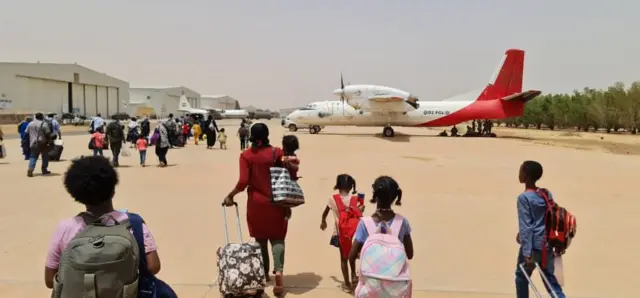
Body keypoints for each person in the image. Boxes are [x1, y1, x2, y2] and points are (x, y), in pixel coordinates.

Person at [44, 156, 161, 290]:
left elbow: (49, 279)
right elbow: (153, 266)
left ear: (76, 195)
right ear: (113, 190)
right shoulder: (133, 223)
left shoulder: (66, 228)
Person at [222, 123, 297, 296]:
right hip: (277, 202)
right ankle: (278, 272)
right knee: (278, 238)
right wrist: (287, 205)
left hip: (256, 204)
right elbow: (288, 175)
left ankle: (263, 274)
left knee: (260, 240)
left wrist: (230, 195)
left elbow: (243, 182)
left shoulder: (246, 155)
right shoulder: (276, 153)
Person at [515, 161, 566, 298]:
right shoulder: (545, 194)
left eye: (521, 170)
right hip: (547, 244)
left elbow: (527, 226)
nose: (519, 173)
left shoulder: (523, 198)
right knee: (550, 280)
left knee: (521, 277)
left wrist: (527, 252)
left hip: (533, 246)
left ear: (526, 175)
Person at [349, 176, 414, 262]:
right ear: (395, 197)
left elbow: (352, 256)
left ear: (375, 195)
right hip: (395, 274)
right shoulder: (402, 222)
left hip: (370, 274)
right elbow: (410, 254)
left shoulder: (364, 223)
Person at [320, 174, 363, 292]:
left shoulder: (332, 199)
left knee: (343, 258)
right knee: (352, 256)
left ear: (337, 186)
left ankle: (347, 285)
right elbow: (359, 213)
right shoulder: (355, 200)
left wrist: (323, 221)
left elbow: (325, 212)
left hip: (340, 233)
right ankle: (354, 274)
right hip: (354, 234)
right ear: (350, 187)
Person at [26, 113, 52, 177]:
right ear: (41, 117)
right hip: (42, 143)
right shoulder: (44, 124)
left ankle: (30, 169)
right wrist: (50, 141)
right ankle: (44, 170)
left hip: (33, 143)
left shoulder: (30, 124)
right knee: (45, 156)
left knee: (33, 157)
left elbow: (26, 133)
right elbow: (48, 133)